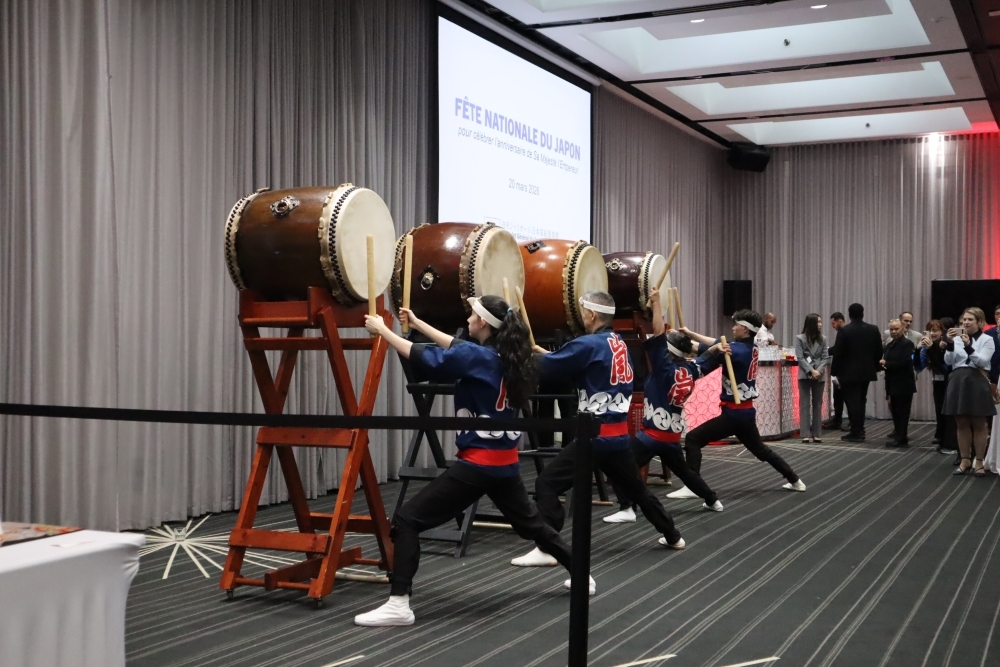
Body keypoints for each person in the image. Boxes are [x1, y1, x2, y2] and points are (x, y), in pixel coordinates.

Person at [355, 296, 578, 626]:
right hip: (505, 464)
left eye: (473, 315)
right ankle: (581, 572)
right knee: (532, 526)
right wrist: (416, 323)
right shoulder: (511, 356)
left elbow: (422, 354)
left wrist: (383, 331)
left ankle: (399, 604)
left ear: (484, 323)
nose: (469, 318)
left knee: (407, 521)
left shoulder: (478, 357)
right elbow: (457, 347)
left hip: (478, 465)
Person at [511, 291, 686, 568]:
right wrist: (549, 356)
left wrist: (519, 353)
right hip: (617, 437)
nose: (580, 316)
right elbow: (578, 364)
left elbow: (549, 369)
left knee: (546, 483)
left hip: (594, 436)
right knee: (637, 490)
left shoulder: (588, 344)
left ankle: (547, 548)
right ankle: (672, 534)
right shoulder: (618, 344)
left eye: (582, 311)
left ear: (591, 314)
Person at [604, 288, 722, 522]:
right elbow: (711, 355)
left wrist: (657, 303)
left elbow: (657, 334)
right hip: (671, 434)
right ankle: (712, 500)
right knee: (685, 472)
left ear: (667, 353)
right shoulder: (692, 369)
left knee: (619, 466)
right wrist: (719, 348)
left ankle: (627, 508)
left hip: (651, 435)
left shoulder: (664, 369)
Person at [678, 310, 806, 492]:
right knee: (761, 450)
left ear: (745, 329)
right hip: (745, 412)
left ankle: (692, 487)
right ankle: (795, 480)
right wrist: (690, 333)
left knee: (693, 438)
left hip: (734, 414)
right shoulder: (749, 348)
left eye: (736, 324)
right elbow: (715, 343)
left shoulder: (735, 350)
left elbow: (702, 349)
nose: (733, 327)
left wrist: (674, 340)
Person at [943, 307, 996, 477]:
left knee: (980, 423)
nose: (965, 322)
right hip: (958, 380)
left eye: (970, 320)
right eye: (963, 320)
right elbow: (949, 361)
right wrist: (950, 344)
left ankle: (979, 460)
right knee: (961, 422)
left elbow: (982, 361)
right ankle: (965, 459)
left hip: (977, 380)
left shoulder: (987, 340)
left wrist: (968, 347)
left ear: (979, 322)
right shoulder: (956, 339)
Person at [832, 303, 883, 442]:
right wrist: (875, 366)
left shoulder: (845, 330)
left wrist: (835, 371)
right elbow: (879, 350)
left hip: (848, 372)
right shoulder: (873, 329)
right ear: (863, 313)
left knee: (852, 402)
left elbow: (838, 352)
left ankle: (856, 431)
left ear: (849, 315)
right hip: (866, 371)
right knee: (861, 400)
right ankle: (860, 429)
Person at [915, 320, 956, 454]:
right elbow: (918, 366)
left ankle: (949, 443)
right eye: (930, 330)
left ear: (942, 332)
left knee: (948, 412)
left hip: (950, 381)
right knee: (939, 410)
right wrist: (918, 349)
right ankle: (941, 438)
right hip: (937, 382)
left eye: (936, 330)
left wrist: (933, 349)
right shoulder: (927, 346)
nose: (933, 333)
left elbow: (945, 366)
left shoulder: (945, 345)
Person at [881, 319, 917, 448]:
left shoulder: (907, 344)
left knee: (902, 412)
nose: (894, 332)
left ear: (902, 329)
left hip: (904, 384)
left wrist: (887, 364)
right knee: (895, 411)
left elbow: (905, 362)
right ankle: (899, 436)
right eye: (891, 329)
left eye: (896, 329)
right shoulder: (890, 345)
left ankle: (901, 438)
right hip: (892, 383)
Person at [795, 314, 829, 443]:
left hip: (819, 375)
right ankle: (805, 433)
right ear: (811, 323)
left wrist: (818, 371)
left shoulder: (823, 339)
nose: (820, 324)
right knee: (804, 404)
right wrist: (811, 370)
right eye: (818, 322)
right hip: (805, 374)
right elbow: (800, 357)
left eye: (821, 322)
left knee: (817, 404)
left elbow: (825, 357)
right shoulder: (800, 338)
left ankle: (817, 432)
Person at [827, 312, 847, 429]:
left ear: (840, 321)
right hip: (841, 370)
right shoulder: (843, 332)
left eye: (833, 323)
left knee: (841, 397)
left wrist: (825, 351)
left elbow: (838, 350)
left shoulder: (844, 332)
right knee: (838, 397)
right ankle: (837, 419)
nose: (833, 326)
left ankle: (838, 420)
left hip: (842, 370)